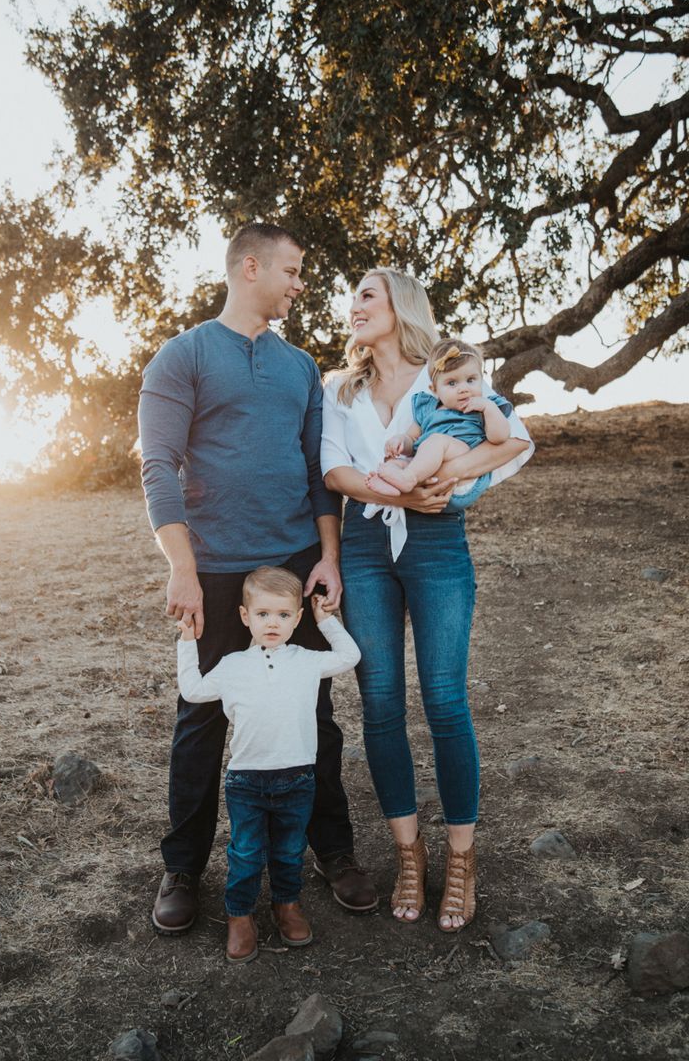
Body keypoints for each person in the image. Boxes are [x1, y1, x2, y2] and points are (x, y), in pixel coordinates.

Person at [139, 223, 378, 938]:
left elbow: (317, 473)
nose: (301, 285)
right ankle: (183, 867)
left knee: (314, 714)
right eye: (293, 270)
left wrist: (327, 558)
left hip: (294, 563)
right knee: (203, 716)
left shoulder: (302, 368)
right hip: (212, 569)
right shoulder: (181, 358)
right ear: (250, 268)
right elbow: (158, 468)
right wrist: (181, 567)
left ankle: (333, 854)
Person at [321, 267, 534, 932]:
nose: (353, 305)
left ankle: (462, 861)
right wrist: (399, 492)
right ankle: (408, 855)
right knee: (380, 704)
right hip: (362, 547)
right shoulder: (339, 388)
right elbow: (334, 471)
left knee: (444, 700)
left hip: (439, 544)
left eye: (367, 295)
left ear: (399, 306)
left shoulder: (445, 371)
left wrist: (452, 469)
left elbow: (518, 442)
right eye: (351, 296)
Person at [176, 566, 360, 963]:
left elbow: (351, 656)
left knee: (290, 849)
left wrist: (326, 620)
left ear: (297, 618)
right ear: (245, 617)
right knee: (245, 852)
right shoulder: (231, 666)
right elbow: (192, 689)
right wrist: (187, 641)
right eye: (262, 615)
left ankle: (286, 904)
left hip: (298, 779)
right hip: (246, 781)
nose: (272, 623)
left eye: (282, 615)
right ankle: (239, 914)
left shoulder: (308, 661)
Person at [366, 339, 512, 509]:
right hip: (430, 473)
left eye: (471, 380)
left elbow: (500, 437)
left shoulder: (485, 406)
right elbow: (412, 441)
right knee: (395, 463)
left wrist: (489, 408)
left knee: (436, 441)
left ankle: (408, 479)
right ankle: (391, 483)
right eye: (452, 383)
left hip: (464, 472)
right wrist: (401, 441)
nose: (463, 388)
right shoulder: (428, 409)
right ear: (434, 389)